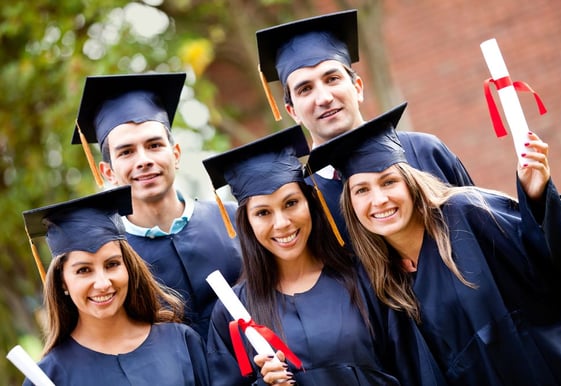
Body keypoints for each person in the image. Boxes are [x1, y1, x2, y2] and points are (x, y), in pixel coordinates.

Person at [307, 103, 561, 386]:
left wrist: (537, 202)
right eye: (362, 190)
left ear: (411, 183)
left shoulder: (468, 213)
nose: (378, 200)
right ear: (350, 204)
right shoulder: (381, 279)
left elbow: (551, 262)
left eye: (389, 182)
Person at [202, 125, 447, 386]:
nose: (282, 223)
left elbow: (415, 368)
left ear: (310, 202)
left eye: (291, 203)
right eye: (263, 212)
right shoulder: (233, 314)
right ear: (247, 223)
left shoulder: (365, 277)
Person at [255, 9, 474, 242]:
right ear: (292, 112)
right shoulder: (303, 198)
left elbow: (484, 228)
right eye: (305, 89)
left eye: (332, 79)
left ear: (358, 87)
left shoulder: (425, 151)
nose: (324, 98)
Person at [71, 72, 242, 339]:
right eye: (126, 152)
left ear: (175, 154)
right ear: (108, 172)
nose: (143, 160)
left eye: (154, 145)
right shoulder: (112, 258)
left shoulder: (232, 220)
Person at [21, 186, 210, 385]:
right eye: (83, 270)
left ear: (128, 267)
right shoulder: (48, 377)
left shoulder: (181, 342)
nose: (103, 283)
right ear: (62, 282)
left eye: (112, 264)